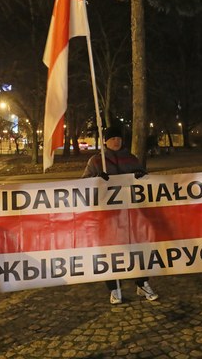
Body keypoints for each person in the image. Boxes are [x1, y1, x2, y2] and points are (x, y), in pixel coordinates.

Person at [82, 126, 159, 304]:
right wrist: (96, 179)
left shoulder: (131, 159)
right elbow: (83, 184)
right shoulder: (96, 161)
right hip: (108, 217)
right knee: (112, 252)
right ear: (105, 141)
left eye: (119, 138)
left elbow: (144, 181)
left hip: (132, 214)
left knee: (138, 249)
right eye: (112, 138)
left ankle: (142, 283)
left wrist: (142, 175)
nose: (116, 141)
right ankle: (114, 288)